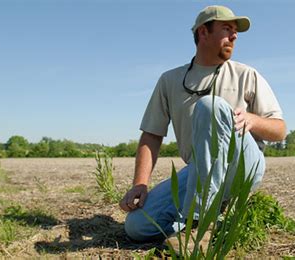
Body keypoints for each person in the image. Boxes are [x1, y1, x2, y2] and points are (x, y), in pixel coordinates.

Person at [119, 5, 286, 243]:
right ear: (203, 33)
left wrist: (252, 120)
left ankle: (198, 225)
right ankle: (215, 215)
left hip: (241, 169)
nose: (234, 36)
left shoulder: (246, 75)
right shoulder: (170, 80)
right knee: (137, 227)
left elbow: (280, 130)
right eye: (227, 28)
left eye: (235, 31)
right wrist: (140, 183)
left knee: (210, 106)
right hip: (199, 172)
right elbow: (151, 135)